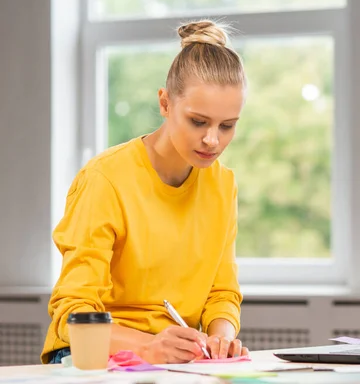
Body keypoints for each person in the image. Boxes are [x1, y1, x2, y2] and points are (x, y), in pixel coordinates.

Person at [41, 20, 249, 364]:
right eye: (198, 121)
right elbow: (73, 313)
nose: (213, 140)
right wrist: (147, 346)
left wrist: (221, 339)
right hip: (95, 352)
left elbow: (222, 292)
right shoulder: (104, 179)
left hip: (175, 358)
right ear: (165, 104)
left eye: (227, 126)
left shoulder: (222, 184)